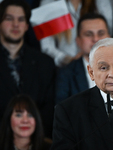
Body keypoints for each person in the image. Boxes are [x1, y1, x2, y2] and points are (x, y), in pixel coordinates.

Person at [0, 0, 55, 138]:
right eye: (9, 19)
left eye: (21, 19)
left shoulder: (45, 63)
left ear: (26, 26)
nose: (15, 24)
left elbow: (48, 111)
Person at [55, 13, 110, 104]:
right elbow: (62, 112)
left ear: (109, 38)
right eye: (88, 34)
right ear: (78, 41)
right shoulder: (66, 74)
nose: (95, 39)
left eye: (101, 33)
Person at [40, 0, 113, 67]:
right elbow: (46, 48)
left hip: (97, 65)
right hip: (62, 68)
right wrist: (69, 59)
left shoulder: (100, 2)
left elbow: (108, 35)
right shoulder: (48, 3)